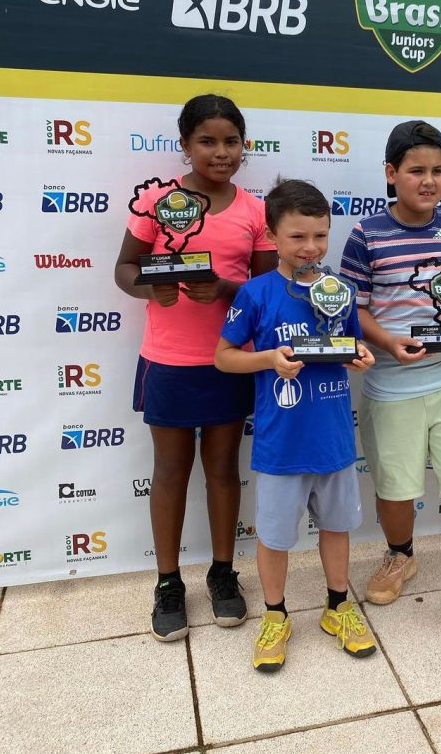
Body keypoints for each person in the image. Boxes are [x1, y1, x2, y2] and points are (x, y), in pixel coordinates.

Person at [115, 93, 277, 642]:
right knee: (170, 470)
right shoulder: (158, 201)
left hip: (228, 361)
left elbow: (265, 289)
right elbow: (124, 267)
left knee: (224, 468)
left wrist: (226, 288)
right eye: (207, 141)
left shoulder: (256, 211)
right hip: (168, 360)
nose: (221, 152)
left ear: (244, 146)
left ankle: (223, 573)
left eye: (231, 141)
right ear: (185, 144)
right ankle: (167, 583)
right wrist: (149, 286)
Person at [340, 120, 441, 658]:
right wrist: (388, 341)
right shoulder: (366, 234)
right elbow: (354, 308)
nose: (429, 181)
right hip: (390, 384)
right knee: (395, 490)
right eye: (416, 171)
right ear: (391, 173)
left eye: (437, 170)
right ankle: (400, 554)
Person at [214, 178, 377, 672]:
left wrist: (359, 355)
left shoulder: (341, 290)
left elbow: (349, 345)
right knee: (275, 536)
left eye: (320, 236)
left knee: (336, 526)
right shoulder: (256, 293)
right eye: (297, 237)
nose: (311, 247)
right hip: (281, 443)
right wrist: (268, 358)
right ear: (271, 235)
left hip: (332, 439)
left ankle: (337, 607)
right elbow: (223, 357)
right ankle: (275, 615)